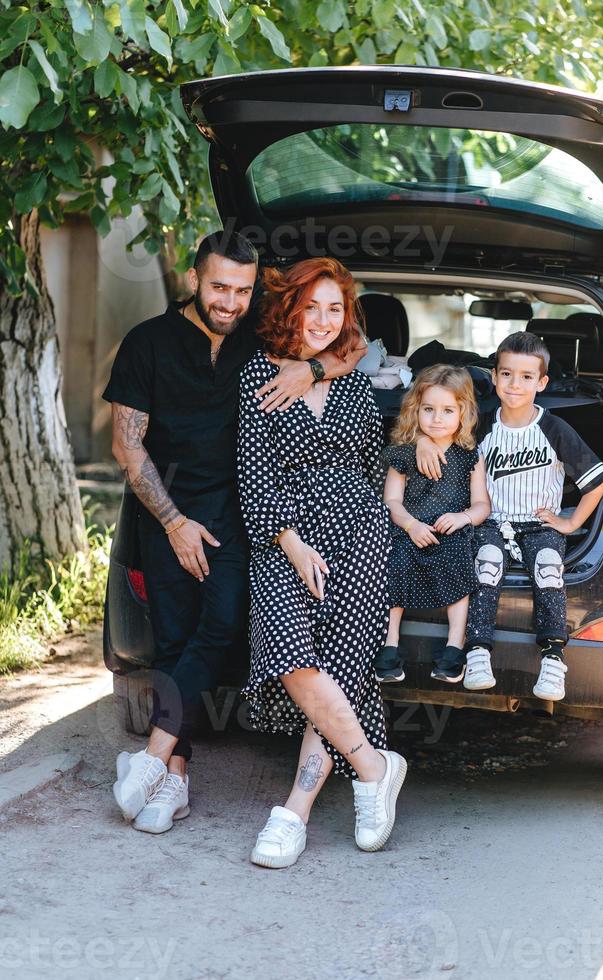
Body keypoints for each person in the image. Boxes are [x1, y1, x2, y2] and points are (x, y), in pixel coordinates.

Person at [103, 231, 367, 834]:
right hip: (164, 509)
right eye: (219, 286)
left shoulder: (257, 336)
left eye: (243, 290)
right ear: (194, 280)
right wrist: (173, 522)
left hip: (237, 509)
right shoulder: (147, 343)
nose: (230, 301)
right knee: (172, 641)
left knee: (219, 626)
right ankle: (176, 780)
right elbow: (128, 445)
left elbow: (352, 340)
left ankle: (147, 760)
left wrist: (310, 370)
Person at [237, 257, 407, 869]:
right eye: (313, 305)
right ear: (291, 307)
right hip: (285, 535)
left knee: (339, 662)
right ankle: (373, 767)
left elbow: (369, 463)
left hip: (359, 533)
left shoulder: (356, 379)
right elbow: (253, 471)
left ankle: (295, 811)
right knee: (288, 653)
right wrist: (291, 539)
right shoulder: (260, 373)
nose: (325, 319)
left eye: (336, 308)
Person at [462, 331, 603, 700]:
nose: (515, 384)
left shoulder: (553, 428)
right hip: (492, 521)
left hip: (538, 523)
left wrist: (572, 522)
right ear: (494, 376)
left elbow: (598, 481)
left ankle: (552, 658)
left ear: (542, 382)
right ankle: (478, 651)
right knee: (487, 564)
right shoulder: (481, 425)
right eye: (507, 374)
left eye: (527, 377)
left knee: (548, 567)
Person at [374, 365, 491, 684]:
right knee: (394, 563)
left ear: (463, 412)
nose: (437, 418)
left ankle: (454, 646)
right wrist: (411, 525)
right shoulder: (403, 454)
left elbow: (483, 505)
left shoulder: (469, 456)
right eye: (428, 409)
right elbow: (391, 502)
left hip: (449, 530)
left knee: (461, 562)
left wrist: (463, 517)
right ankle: (389, 643)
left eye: (447, 410)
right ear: (416, 410)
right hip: (409, 528)